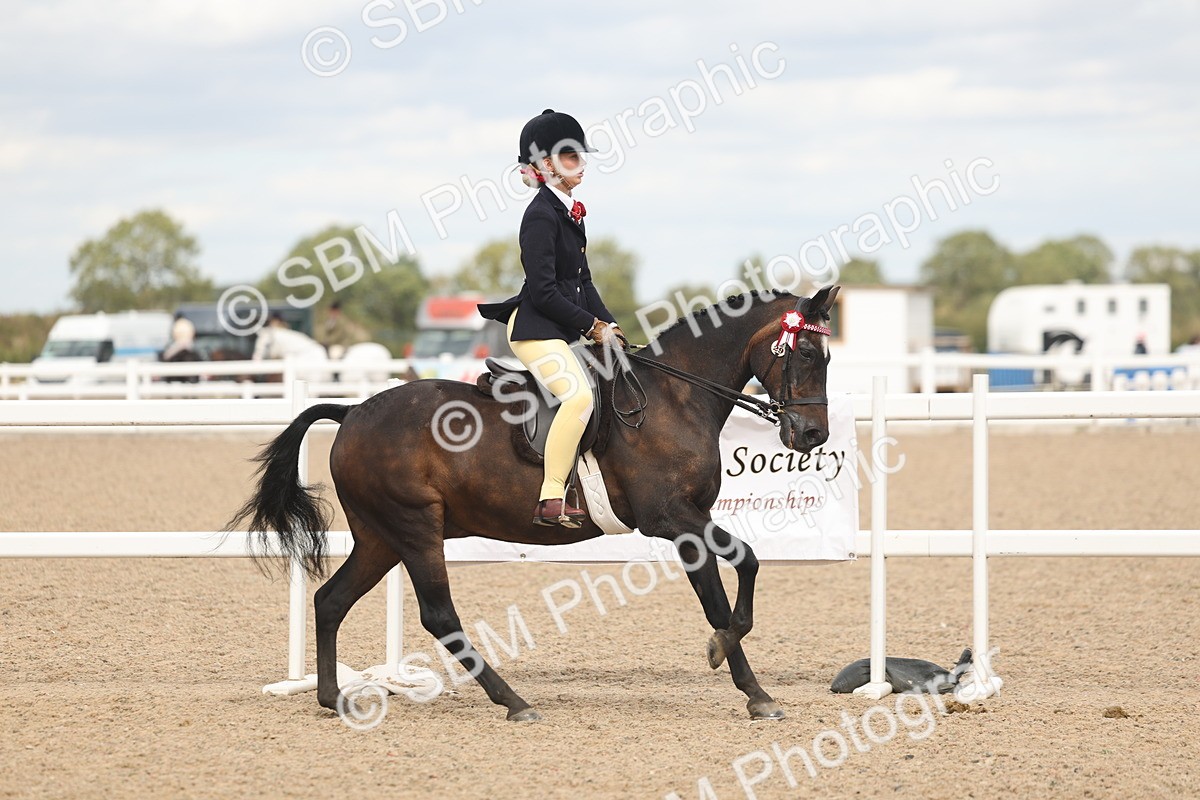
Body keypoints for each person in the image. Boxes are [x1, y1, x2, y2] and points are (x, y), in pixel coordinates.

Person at [478, 109, 627, 528]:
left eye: (581, 155)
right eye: (571, 156)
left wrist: (611, 326)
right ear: (546, 164)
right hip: (534, 330)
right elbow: (543, 292)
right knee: (579, 397)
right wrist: (590, 327)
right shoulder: (541, 215)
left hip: (561, 329)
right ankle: (550, 497)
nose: (582, 163)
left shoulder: (570, 212)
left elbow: (584, 281)